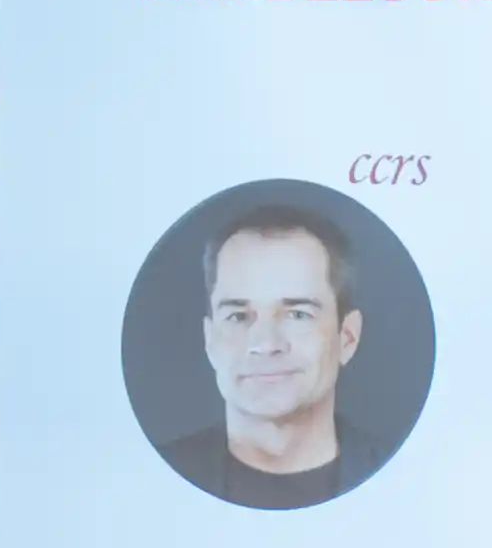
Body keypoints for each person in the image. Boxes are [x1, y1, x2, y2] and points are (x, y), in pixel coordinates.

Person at [159, 212, 374, 507]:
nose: (265, 344)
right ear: (210, 341)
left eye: (298, 314)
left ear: (347, 338)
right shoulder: (143, 483)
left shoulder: (412, 485)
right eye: (238, 316)